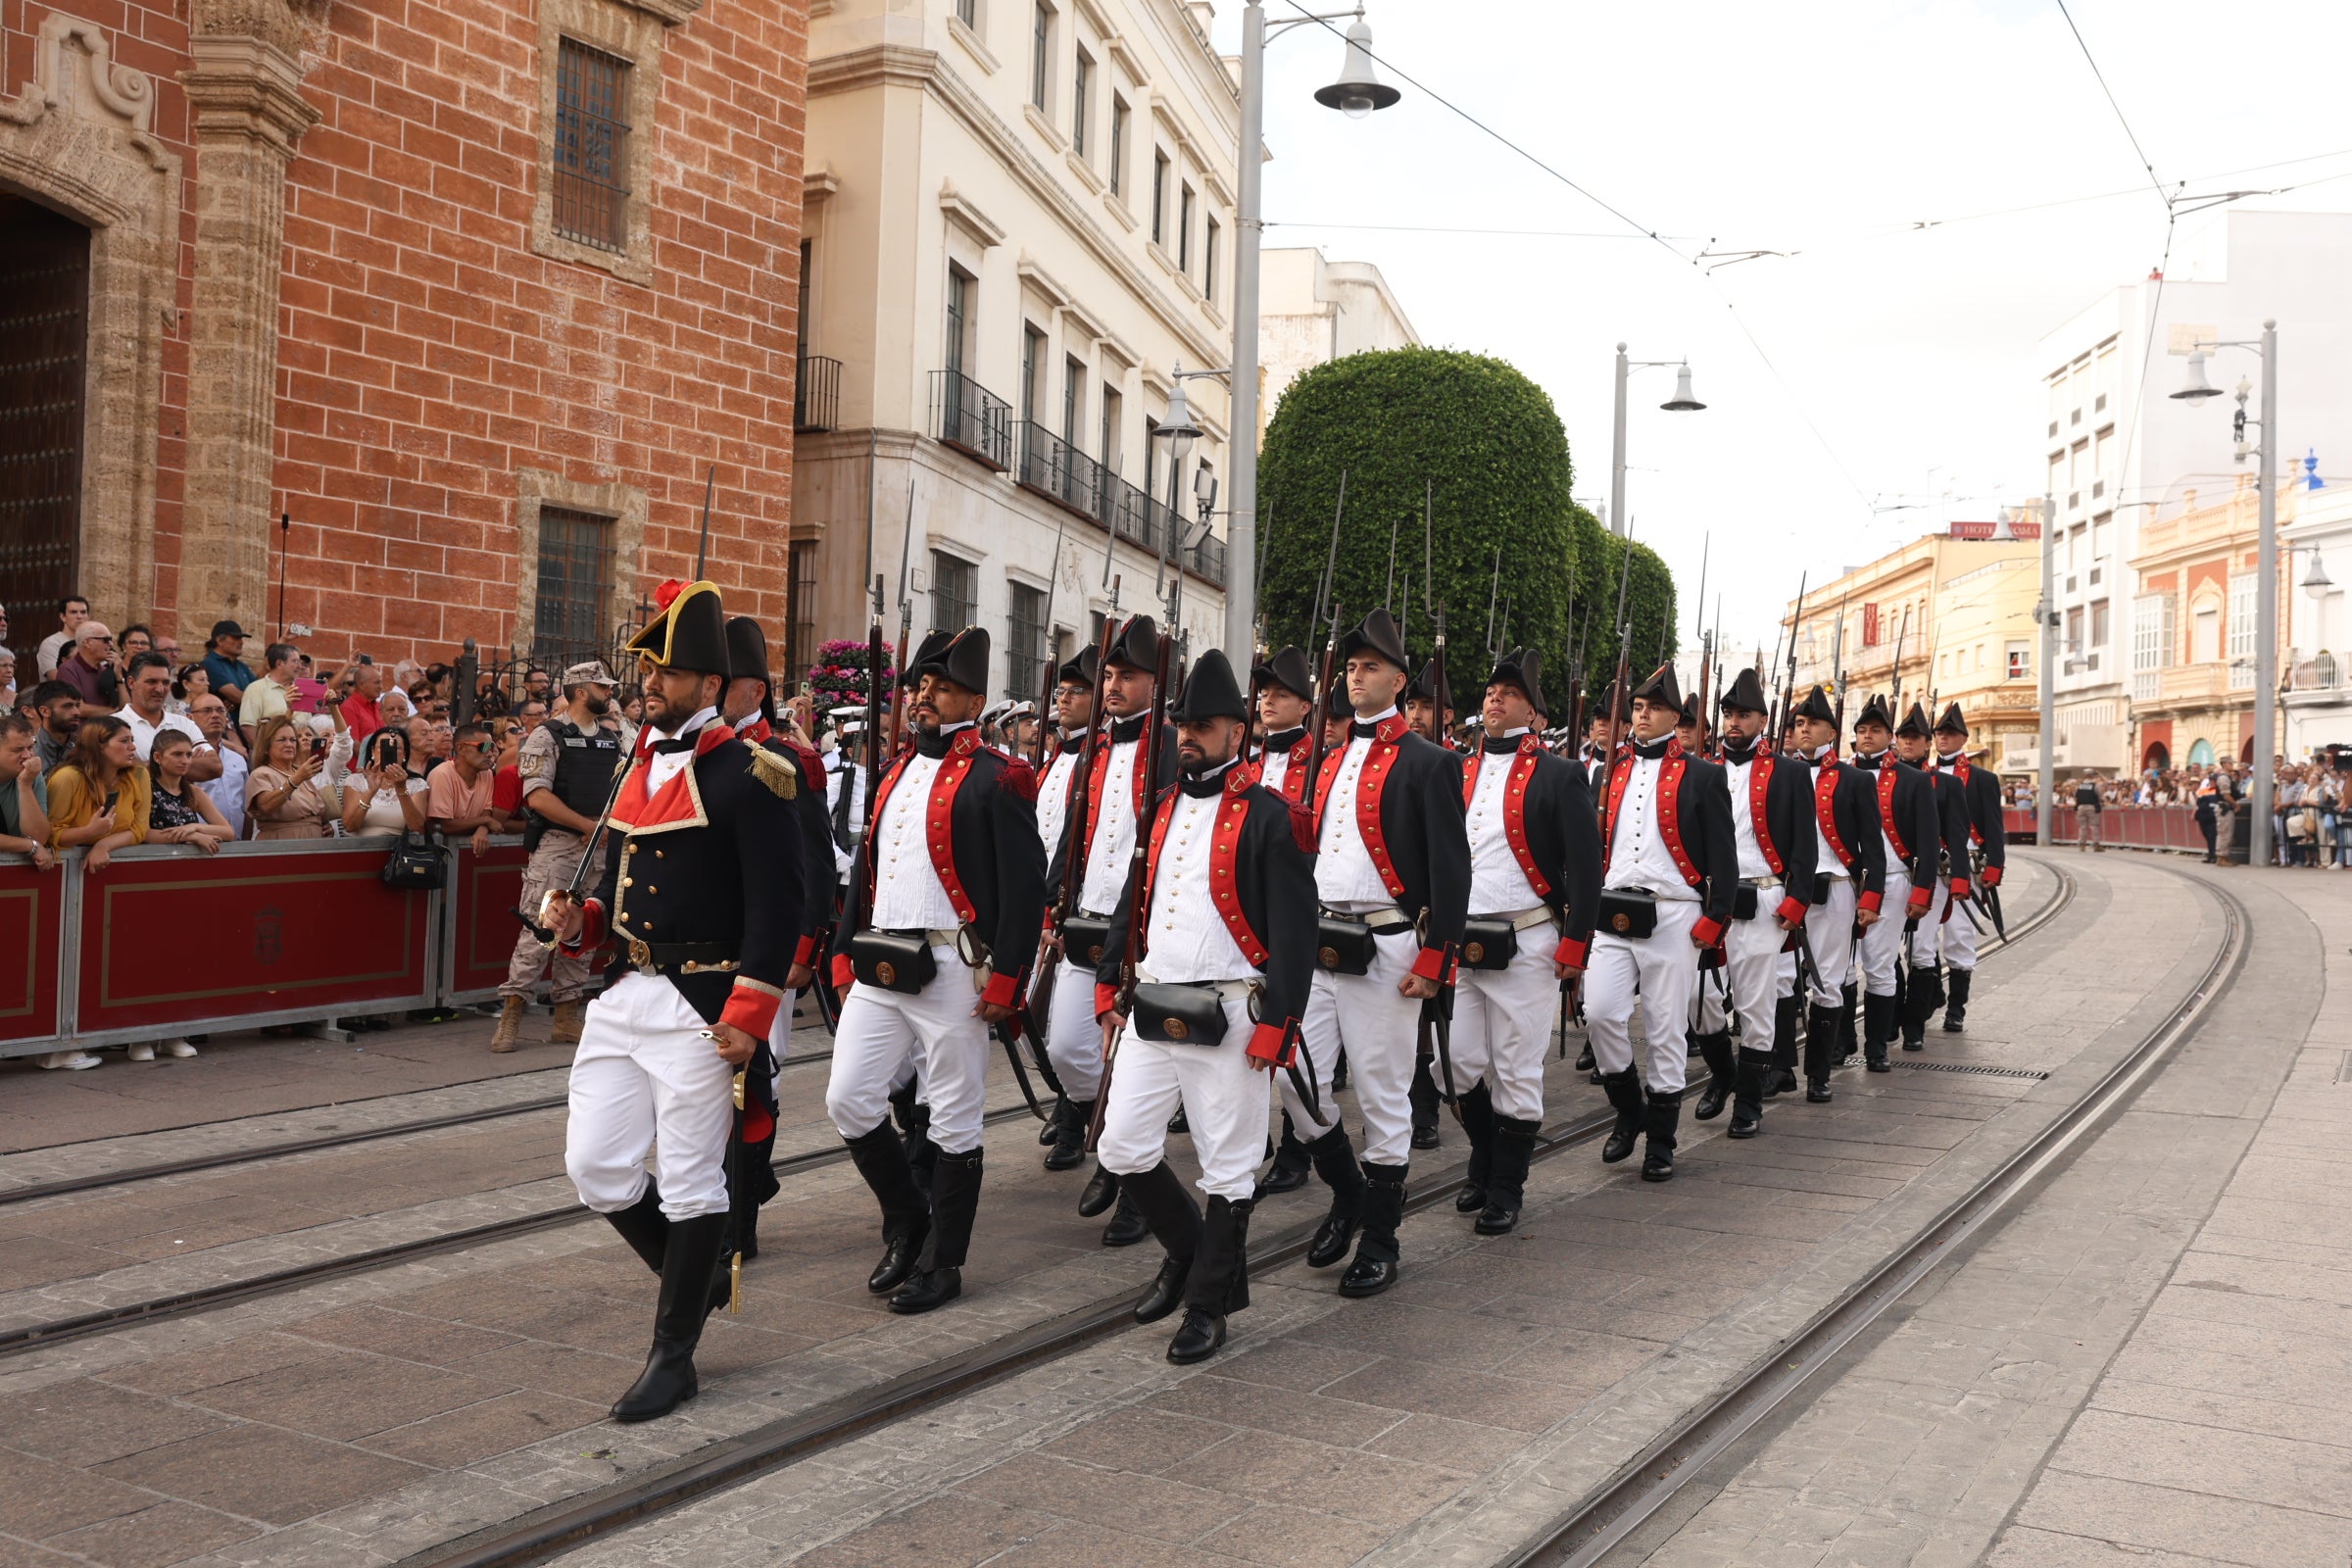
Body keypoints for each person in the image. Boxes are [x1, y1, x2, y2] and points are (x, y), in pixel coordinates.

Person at [544, 579, 806, 1423]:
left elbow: (779, 907)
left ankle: (673, 1355)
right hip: (626, 992)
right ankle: (693, 1282)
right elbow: (619, 887)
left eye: (667, 672)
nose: (649, 684)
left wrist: (749, 1016)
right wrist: (582, 920)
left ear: (709, 682)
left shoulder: (752, 774)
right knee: (596, 1167)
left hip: (704, 1003)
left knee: (693, 1181)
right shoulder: (637, 759)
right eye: (647, 671)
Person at [1090, 650, 1313, 1363]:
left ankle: (1208, 1304)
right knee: (1121, 1146)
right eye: (1184, 724)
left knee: (1229, 1165)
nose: (1188, 735)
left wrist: (1280, 1024)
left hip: (1234, 1011)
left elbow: (1296, 934)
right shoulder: (1160, 806)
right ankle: (1190, 1253)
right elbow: (1133, 901)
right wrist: (1108, 980)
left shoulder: (1272, 817)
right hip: (1154, 1001)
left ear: (1237, 733)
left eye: (1204, 726)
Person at [827, 623, 1046, 1317]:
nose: (924, 696)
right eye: (921, 685)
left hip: (956, 967)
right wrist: (842, 950)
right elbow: (867, 872)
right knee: (848, 1099)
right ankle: (908, 1217)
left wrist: (1009, 979)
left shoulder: (999, 776)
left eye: (942, 688)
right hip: (881, 961)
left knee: (954, 1118)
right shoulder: (894, 770)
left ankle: (944, 1262)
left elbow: (1025, 889)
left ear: (974, 701)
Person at [1293, 609, 1469, 1297]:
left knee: (1382, 1092)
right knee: (1295, 1082)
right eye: (1351, 668)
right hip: (1317, 941)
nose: (1357, 677)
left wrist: (1436, 958)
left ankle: (1381, 1238)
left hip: (1389, 943)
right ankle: (1350, 1194)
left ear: (1399, 681)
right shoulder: (1327, 759)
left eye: (1371, 668)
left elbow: (1452, 870)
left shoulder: (1430, 762)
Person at [1446, 648, 1599, 1232]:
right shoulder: (1455, 768)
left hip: (1527, 939)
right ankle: (1486, 1154)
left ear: (1532, 713)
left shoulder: (1561, 774)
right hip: (1460, 940)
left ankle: (1505, 1186)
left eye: (1509, 694)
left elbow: (1585, 866)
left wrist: (1576, 942)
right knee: (1453, 1064)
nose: (1495, 700)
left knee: (1516, 1068)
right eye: (1491, 693)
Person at [1040, 617, 1177, 1242]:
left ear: (1156, 682)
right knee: (1067, 1049)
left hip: (1140, 928)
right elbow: (1075, 833)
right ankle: (1107, 1131)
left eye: (1128, 675)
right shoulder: (1093, 749)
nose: (1114, 684)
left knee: (1129, 1054)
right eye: (1110, 675)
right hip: (1085, 917)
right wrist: (1052, 905)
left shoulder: (1170, 745)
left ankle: (1130, 1174)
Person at [1584, 663, 1735, 1184]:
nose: (1643, 715)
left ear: (1676, 717)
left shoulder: (1703, 775)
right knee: (1600, 1013)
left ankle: (1662, 1141)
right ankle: (1630, 1109)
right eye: (1638, 707)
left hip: (1674, 913)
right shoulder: (1609, 771)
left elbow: (1724, 858)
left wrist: (1714, 919)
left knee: (1665, 1027)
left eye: (1654, 708)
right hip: (1613, 910)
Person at [717, 617, 838, 1256]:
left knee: (756, 1079)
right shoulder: (691, 754)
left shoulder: (789, 760)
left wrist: (802, 949)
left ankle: (740, 1225)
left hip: (766, 947)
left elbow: (815, 863)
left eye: (725, 681)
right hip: (704, 949)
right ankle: (746, 1184)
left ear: (756, 690)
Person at [492, 663, 625, 1051]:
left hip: (597, 849)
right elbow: (537, 796)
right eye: (603, 687)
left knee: (583, 931)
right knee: (541, 930)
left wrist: (603, 828)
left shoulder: (610, 739)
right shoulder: (546, 735)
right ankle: (511, 1014)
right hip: (558, 847)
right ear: (581, 692)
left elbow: (620, 791)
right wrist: (587, 826)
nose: (610, 693)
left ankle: (567, 1017)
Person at [1711, 669, 1818, 1140]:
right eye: (1729, 714)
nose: (1734, 722)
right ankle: (1723, 1073)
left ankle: (1749, 1101)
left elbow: (1805, 844)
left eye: (1744, 715)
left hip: (1763, 896)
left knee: (1754, 1003)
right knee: (1701, 1002)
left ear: (1762, 720)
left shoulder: (1790, 773)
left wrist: (1797, 900)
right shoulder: (1703, 769)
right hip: (1709, 901)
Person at [1790, 686, 1885, 1102]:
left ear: (1831, 732)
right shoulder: (1780, 773)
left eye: (1813, 723)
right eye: (1799, 723)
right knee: (1779, 980)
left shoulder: (1855, 780)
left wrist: (1871, 897)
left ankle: (1818, 1074)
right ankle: (1778, 1068)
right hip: (1784, 890)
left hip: (1835, 889)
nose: (1804, 729)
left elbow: (1872, 847)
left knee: (1827, 982)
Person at [1845, 696, 1937, 1073]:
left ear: (1890, 737)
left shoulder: (1914, 780)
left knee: (1880, 965)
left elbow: (1928, 842)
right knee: (1841, 968)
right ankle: (1841, 1040)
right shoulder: (1840, 774)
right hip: (1844, 882)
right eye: (1862, 730)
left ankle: (1877, 1046)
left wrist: (1923, 891)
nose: (1868, 736)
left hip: (1894, 881)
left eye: (1876, 730)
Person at [1924, 705, 2005, 1035]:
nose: (1943, 738)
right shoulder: (1922, 775)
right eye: (1939, 733)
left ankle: (1956, 1008)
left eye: (1950, 733)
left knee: (1959, 935)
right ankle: (1933, 992)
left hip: (1966, 866)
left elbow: (1994, 826)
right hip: (1931, 865)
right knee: (1924, 935)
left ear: (1964, 738)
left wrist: (1994, 867)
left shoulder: (1983, 779)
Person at [48, 715, 149, 870]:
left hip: (119, 868)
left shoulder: (139, 775)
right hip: (67, 870)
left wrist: (103, 846)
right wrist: (89, 832)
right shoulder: (67, 778)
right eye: (124, 741)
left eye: (132, 740)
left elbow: (140, 829)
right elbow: (50, 834)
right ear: (99, 746)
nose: (133, 747)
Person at [114, 652, 220, 780]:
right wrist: (187, 763)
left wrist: (147, 764)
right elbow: (123, 772)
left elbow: (214, 767)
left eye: (165, 682)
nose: (160, 689)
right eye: (151, 682)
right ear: (131, 683)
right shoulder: (113, 724)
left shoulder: (184, 723)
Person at [245, 714, 332, 839]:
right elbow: (266, 806)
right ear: (266, 747)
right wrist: (295, 780)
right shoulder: (261, 774)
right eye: (282, 740)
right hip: (282, 844)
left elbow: (312, 812)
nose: (289, 744)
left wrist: (324, 826)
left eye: (293, 740)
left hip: (314, 844)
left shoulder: (300, 773)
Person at [426, 720, 507, 853]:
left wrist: (482, 829)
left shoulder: (486, 773)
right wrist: (486, 821)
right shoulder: (442, 775)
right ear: (461, 748)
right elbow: (445, 825)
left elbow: (486, 810)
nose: (489, 754)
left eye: (491, 747)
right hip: (441, 853)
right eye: (483, 747)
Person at [340, 728, 428, 837]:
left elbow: (417, 827)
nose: (389, 752)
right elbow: (349, 826)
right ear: (373, 751)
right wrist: (370, 792)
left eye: (396, 748)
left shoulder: (417, 784)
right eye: (383, 747)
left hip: (400, 846)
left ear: (404, 754)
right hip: (361, 846)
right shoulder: (356, 781)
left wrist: (401, 789)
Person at [188, 694, 249, 838]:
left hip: (238, 843)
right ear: (190, 718)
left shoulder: (237, 759)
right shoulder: (186, 759)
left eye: (220, 710)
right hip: (200, 842)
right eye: (207, 710)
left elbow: (246, 807)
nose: (215, 715)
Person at [0, 710, 55, 867]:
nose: (28, 755)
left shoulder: (31, 775)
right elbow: (35, 843)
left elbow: (39, 836)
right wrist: (30, 846)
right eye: (18, 750)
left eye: (30, 747)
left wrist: (25, 786)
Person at [238, 642, 302, 748]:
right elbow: (248, 727)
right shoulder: (256, 689)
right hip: (272, 755)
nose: (300, 666)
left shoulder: (301, 689)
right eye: (295, 661)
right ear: (279, 664)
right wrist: (263, 752)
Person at [55, 620, 121, 710]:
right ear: (87, 642)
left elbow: (125, 705)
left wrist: (119, 676)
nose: (111, 644)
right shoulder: (68, 669)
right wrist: (114, 712)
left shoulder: (105, 671)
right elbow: (78, 708)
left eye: (110, 640)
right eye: (106, 640)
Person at [25, 680, 78, 774]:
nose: (76, 712)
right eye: (67, 706)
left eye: (77, 706)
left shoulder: (84, 748)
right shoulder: (28, 752)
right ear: (45, 711)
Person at [198, 620, 254, 710]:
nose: (241, 642)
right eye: (235, 638)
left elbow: (259, 689)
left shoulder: (242, 666)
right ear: (219, 640)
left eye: (241, 638)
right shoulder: (210, 664)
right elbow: (236, 697)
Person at [35, 595, 87, 679]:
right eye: (73, 612)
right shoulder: (51, 643)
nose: (79, 616)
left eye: (83, 612)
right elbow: (57, 678)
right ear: (63, 617)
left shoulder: (92, 642)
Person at [341, 661, 386, 744]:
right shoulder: (349, 707)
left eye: (381, 682)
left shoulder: (379, 706)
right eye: (377, 683)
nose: (381, 687)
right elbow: (352, 743)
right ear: (362, 685)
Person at [2074, 771, 2102, 851]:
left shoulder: (2079, 786)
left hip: (2080, 807)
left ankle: (2082, 845)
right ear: (2092, 776)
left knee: (2082, 827)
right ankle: (2096, 845)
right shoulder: (2095, 785)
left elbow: (2076, 796)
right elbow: (2100, 796)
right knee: (2094, 826)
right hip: (2091, 807)